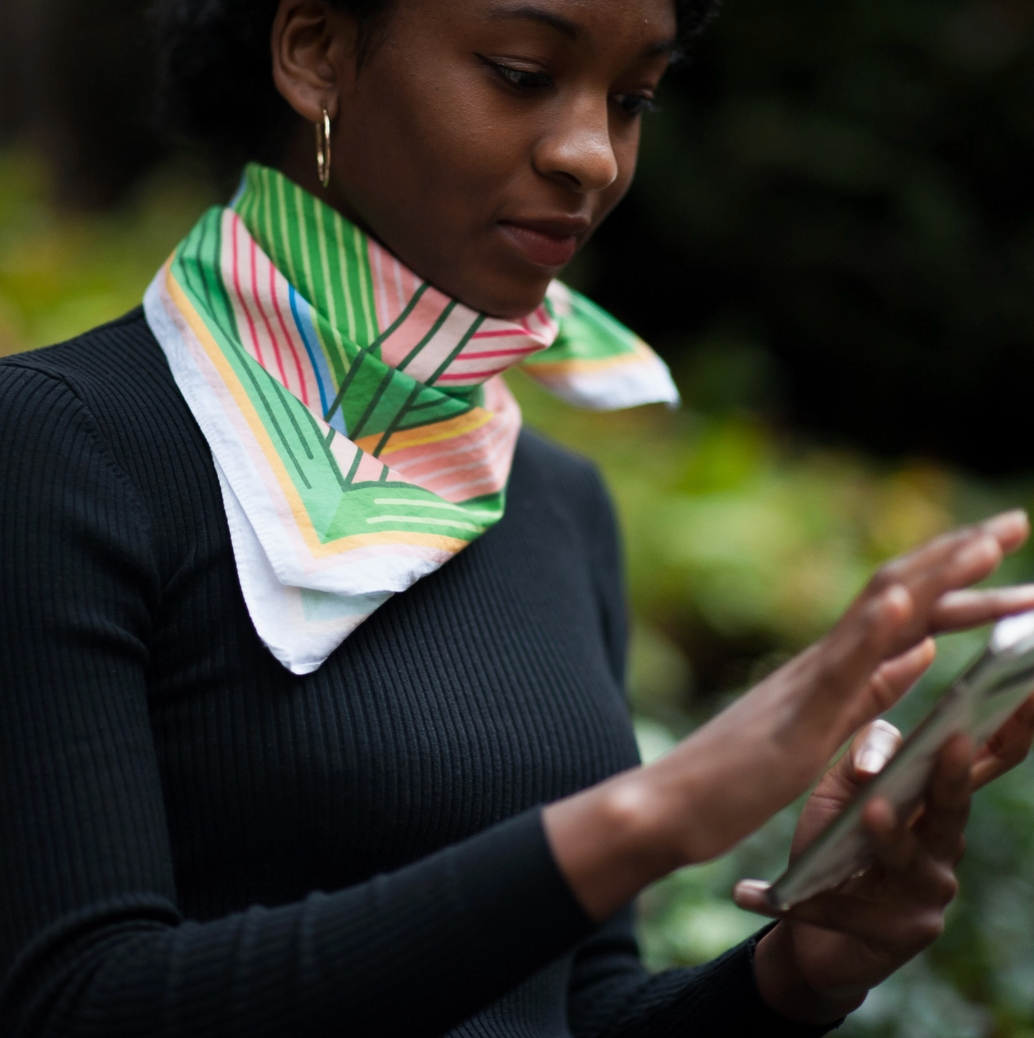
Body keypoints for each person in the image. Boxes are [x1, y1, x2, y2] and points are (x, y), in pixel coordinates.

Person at [2, 1, 1034, 1035]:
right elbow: (78, 1000)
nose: (592, 155)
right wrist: (650, 816)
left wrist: (791, 979)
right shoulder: (61, 445)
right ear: (315, 53)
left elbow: (572, 1008)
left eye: (631, 99)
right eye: (521, 72)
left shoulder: (556, 501)